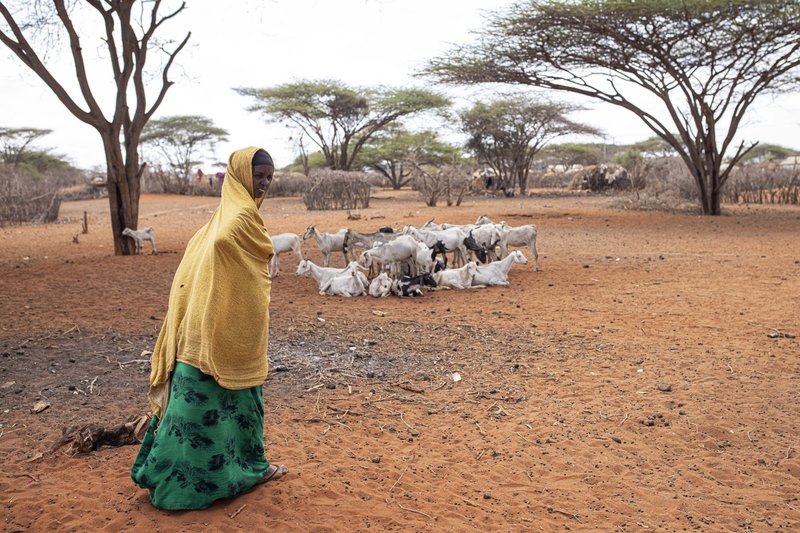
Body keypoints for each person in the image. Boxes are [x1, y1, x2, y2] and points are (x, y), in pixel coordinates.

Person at [131, 146, 287, 510]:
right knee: (195, 412)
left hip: (221, 329)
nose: (263, 183)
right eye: (258, 176)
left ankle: (247, 470)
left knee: (231, 407)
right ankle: (183, 489)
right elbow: (219, 256)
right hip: (209, 332)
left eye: (268, 177)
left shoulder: (226, 219)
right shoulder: (232, 222)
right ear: (239, 177)